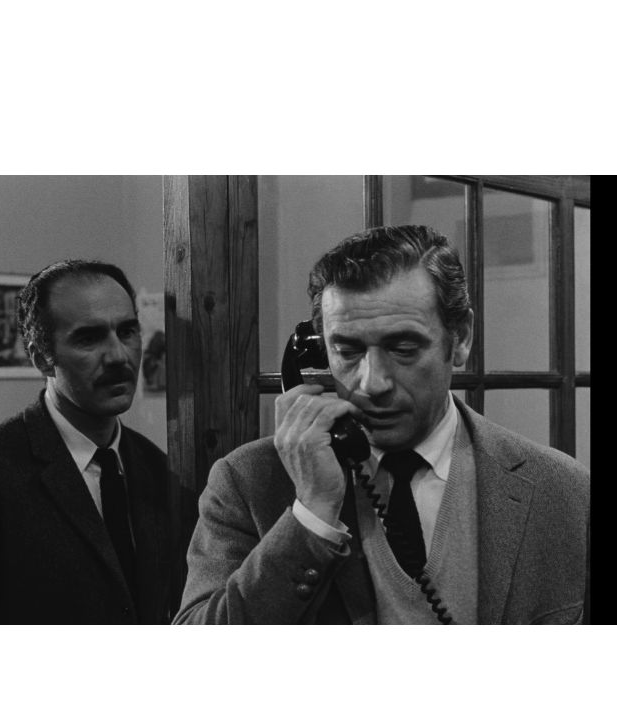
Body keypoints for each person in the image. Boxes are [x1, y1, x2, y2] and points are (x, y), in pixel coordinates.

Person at [174, 225, 590, 625]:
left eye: (403, 348)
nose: (372, 383)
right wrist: (312, 515)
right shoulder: (248, 481)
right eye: (347, 351)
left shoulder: (563, 491)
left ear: (461, 338)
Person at [0, 260, 177, 623]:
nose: (118, 355)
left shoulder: (157, 468)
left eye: (127, 331)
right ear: (42, 358)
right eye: (89, 338)